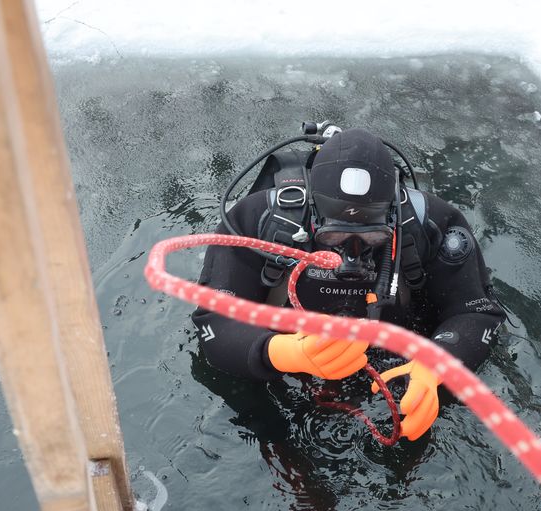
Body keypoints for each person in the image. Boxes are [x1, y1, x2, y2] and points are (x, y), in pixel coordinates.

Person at [192, 128, 504, 441]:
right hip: (289, 370)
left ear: (391, 215)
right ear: (314, 215)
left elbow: (477, 313)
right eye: (335, 236)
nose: (352, 254)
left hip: (396, 362)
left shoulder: (432, 223)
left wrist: (436, 365)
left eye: (372, 237)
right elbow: (214, 322)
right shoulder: (255, 220)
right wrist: (279, 352)